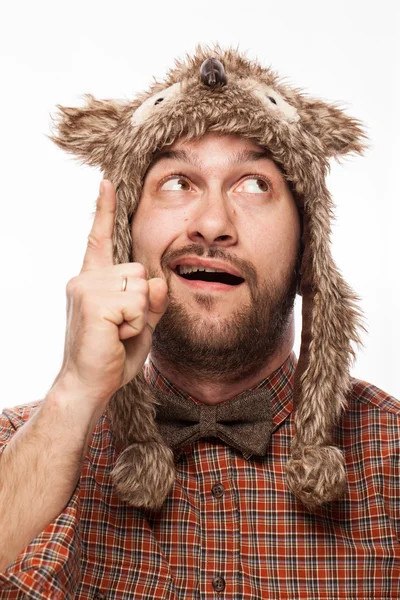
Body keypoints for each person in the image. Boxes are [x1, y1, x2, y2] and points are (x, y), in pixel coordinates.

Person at [0, 45, 399, 599]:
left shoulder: (393, 455)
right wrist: (73, 396)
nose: (212, 224)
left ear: (308, 244)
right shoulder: (21, 450)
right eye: (177, 182)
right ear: (125, 235)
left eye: (255, 184)